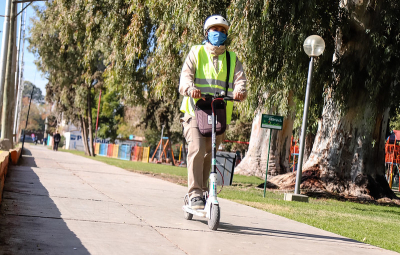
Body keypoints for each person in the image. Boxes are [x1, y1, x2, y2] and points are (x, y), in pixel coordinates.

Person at [179, 15, 247, 209]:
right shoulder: (196, 52)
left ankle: (206, 191)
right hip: (195, 111)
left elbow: (240, 79)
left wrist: (240, 91)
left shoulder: (232, 58)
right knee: (198, 150)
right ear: (207, 32)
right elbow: (186, 77)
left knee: (210, 154)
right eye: (215, 30)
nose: (219, 33)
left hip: (218, 114)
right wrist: (190, 88)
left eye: (223, 31)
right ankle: (194, 194)